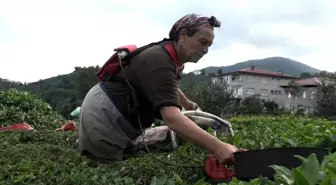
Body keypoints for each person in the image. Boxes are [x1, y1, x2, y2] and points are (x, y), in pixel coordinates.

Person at [77, 13, 238, 163]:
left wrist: (187, 103)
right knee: (113, 166)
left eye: (209, 45)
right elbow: (172, 118)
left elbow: (168, 84)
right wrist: (219, 148)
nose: (206, 50)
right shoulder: (159, 60)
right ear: (183, 36)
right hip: (104, 116)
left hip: (119, 117)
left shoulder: (174, 59)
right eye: (203, 42)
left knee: (149, 146)